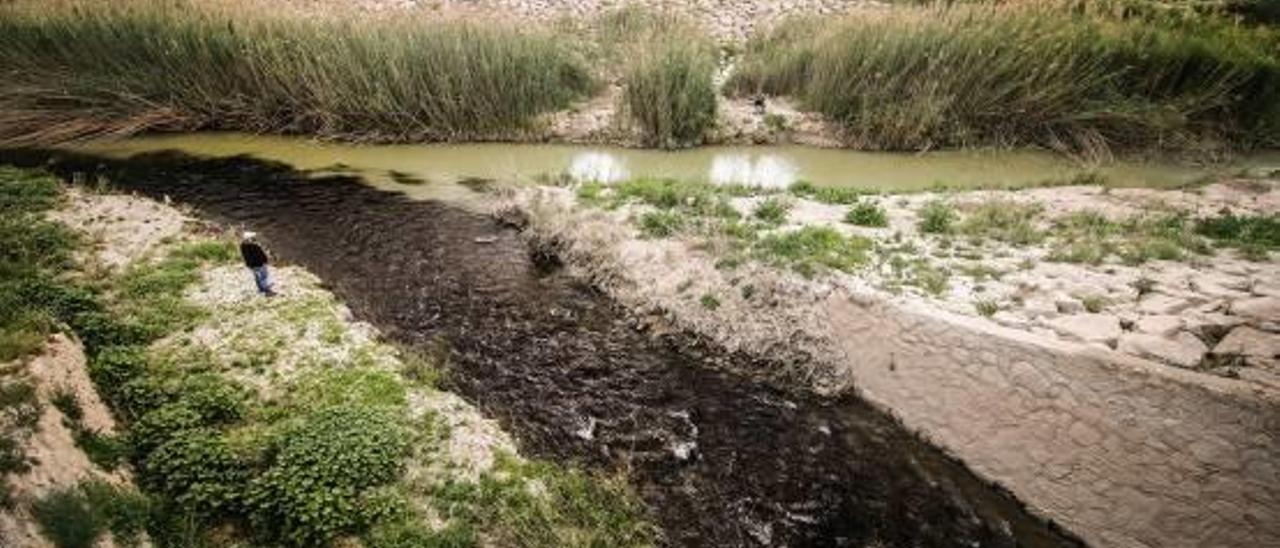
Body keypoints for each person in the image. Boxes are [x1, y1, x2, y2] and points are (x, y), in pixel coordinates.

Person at [240, 231, 276, 297]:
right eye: (252, 237)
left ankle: (260, 289)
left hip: (250, 264)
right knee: (264, 276)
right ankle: (266, 289)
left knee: (257, 277)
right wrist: (265, 260)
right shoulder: (255, 246)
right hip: (259, 263)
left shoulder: (242, 246)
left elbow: (245, 256)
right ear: (250, 238)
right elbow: (261, 255)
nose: (254, 238)